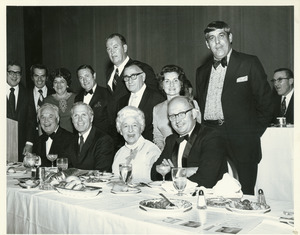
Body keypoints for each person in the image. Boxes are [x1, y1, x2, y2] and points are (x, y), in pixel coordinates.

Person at [196, 21, 273, 194]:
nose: (217, 42)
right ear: (207, 44)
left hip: (243, 137)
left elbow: (267, 103)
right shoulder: (201, 71)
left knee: (246, 191)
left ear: (230, 37)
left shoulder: (249, 63)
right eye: (211, 38)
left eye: (221, 36)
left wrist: (252, 132)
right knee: (210, 188)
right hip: (211, 135)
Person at [151, 96, 227, 188]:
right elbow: (154, 173)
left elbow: (206, 179)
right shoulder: (171, 140)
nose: (177, 120)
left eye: (182, 114)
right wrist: (186, 171)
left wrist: (174, 172)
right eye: (172, 116)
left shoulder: (212, 137)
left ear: (194, 113)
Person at [105, 33, 160, 126]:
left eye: (115, 47)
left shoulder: (142, 68)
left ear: (125, 48)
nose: (112, 52)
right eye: (108, 49)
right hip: (116, 128)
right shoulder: (109, 72)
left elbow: (154, 99)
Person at [116, 60, 165, 148]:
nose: (129, 81)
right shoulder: (122, 101)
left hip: (150, 150)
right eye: (126, 77)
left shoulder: (157, 98)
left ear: (143, 77)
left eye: (133, 76)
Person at [153, 65, 200, 151]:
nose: (171, 85)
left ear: (181, 83)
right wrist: (163, 151)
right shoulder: (157, 109)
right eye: (167, 81)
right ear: (162, 85)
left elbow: (200, 130)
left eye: (175, 80)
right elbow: (157, 136)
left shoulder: (192, 103)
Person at [112, 106, 161, 183]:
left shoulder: (151, 150)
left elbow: (156, 181)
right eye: (125, 126)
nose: (130, 130)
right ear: (120, 131)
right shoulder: (119, 153)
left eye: (134, 125)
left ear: (141, 128)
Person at [69, 102, 114, 171]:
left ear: (91, 118)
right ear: (72, 120)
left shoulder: (104, 140)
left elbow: (101, 172)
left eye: (84, 115)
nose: (79, 119)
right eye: (76, 116)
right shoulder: (71, 140)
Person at [24, 64, 55, 154]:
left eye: (43, 76)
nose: (39, 79)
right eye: (36, 76)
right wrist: (29, 142)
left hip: (51, 140)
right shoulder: (25, 95)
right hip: (30, 141)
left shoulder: (53, 94)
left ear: (47, 78)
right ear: (32, 77)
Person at [75, 64, 111, 134]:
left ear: (94, 76)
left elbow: (112, 122)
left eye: (87, 76)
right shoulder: (77, 98)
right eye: (81, 78)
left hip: (103, 139)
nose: (84, 80)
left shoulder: (106, 94)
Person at [7, 61, 29, 161]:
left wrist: (29, 143)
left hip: (21, 147)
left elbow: (31, 120)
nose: (15, 76)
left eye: (18, 73)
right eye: (11, 72)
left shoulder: (27, 93)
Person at [43, 68, 76, 133]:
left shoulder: (76, 98)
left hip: (74, 138)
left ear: (67, 84)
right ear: (53, 85)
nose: (59, 85)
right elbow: (42, 123)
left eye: (62, 81)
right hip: (54, 138)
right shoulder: (47, 100)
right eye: (56, 82)